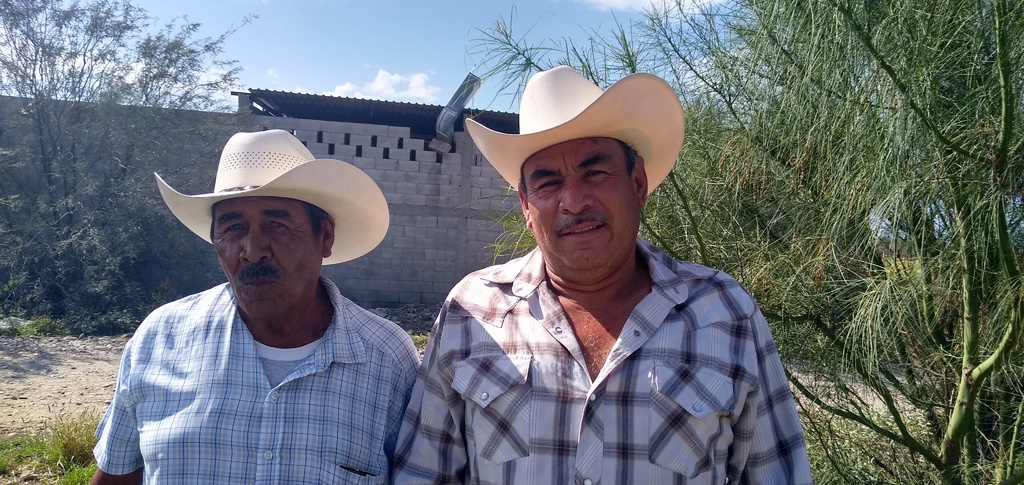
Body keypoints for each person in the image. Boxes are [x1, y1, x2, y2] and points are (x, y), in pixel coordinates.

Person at [392, 66, 813, 484]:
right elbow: (424, 474)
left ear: (638, 182)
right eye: (548, 183)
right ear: (525, 204)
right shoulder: (471, 312)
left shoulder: (724, 312)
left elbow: (777, 474)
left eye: (595, 172)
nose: (573, 202)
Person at [91, 129, 419, 484]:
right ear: (215, 239)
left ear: (325, 236)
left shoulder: (387, 358)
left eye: (276, 224)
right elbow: (115, 477)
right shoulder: (159, 339)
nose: (253, 249)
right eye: (233, 227)